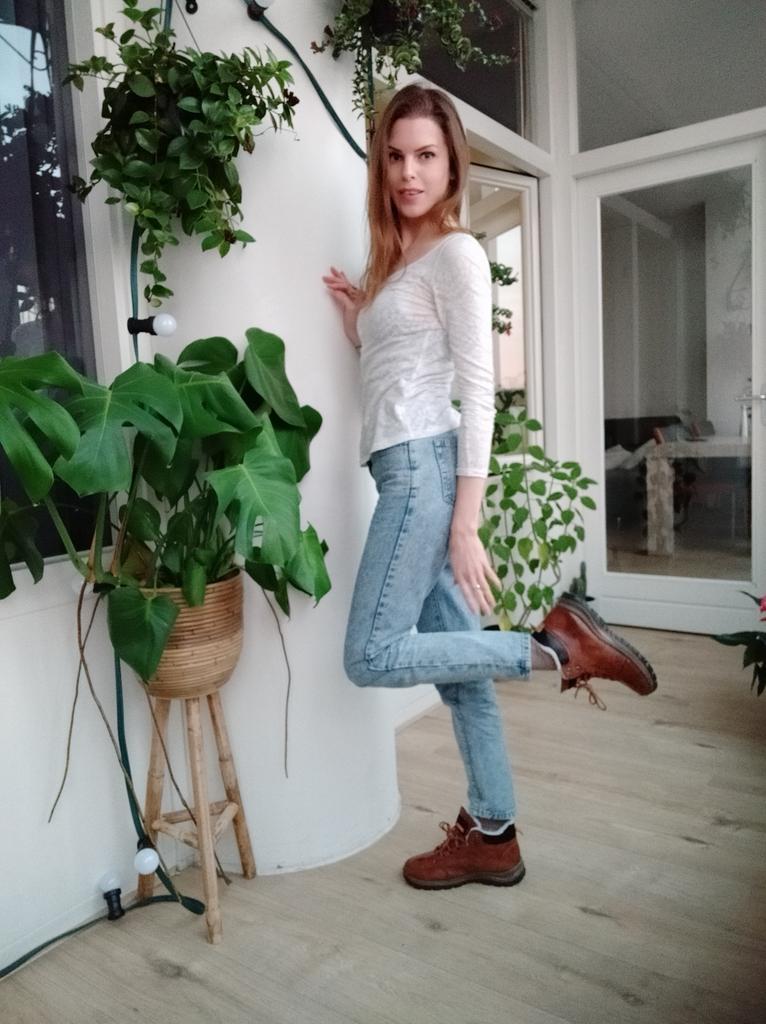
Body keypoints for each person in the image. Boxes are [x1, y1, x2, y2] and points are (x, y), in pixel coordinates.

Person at [323, 84, 657, 892]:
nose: (409, 172)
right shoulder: (400, 258)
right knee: (461, 675)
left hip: (423, 473)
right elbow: (396, 362)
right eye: (395, 156)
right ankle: (495, 835)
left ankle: (555, 647)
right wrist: (360, 313)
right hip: (406, 467)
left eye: (426, 156)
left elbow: (477, 392)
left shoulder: (458, 255)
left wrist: (465, 522)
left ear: (452, 165)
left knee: (369, 654)